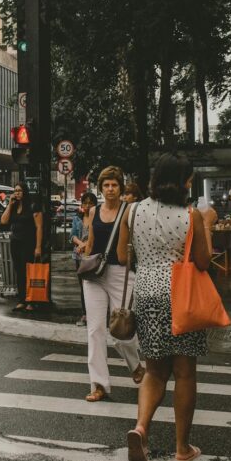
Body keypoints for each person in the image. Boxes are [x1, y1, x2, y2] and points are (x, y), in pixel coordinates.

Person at [117, 153, 211, 461]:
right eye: (189, 178)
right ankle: (182, 447)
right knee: (184, 372)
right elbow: (203, 261)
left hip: (146, 295)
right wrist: (207, 227)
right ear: (183, 182)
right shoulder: (191, 215)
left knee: (155, 371)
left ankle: (141, 428)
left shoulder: (132, 210)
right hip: (181, 297)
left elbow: (120, 254)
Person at [81, 166, 143, 402]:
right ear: (100, 187)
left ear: (120, 187)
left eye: (114, 185)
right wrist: (85, 263)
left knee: (121, 330)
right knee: (95, 330)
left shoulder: (129, 211)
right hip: (95, 275)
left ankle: (135, 365)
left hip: (121, 273)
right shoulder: (94, 211)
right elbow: (91, 242)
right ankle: (98, 384)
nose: (110, 189)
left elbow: (132, 246)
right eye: (106, 185)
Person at [0, 182, 44, 312]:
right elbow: (3, 220)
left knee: (29, 272)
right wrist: (9, 204)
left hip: (29, 243)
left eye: (19, 190)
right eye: (15, 190)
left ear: (24, 192)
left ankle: (31, 300)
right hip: (16, 242)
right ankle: (22, 300)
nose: (17, 193)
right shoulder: (13, 206)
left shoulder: (32, 206)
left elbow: (39, 227)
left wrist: (38, 247)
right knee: (19, 271)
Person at [71, 192, 98, 327]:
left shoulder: (98, 218)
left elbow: (97, 237)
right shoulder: (77, 218)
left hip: (93, 256)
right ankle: (85, 314)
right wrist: (79, 244)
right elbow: (73, 236)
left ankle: (95, 314)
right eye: (85, 203)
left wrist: (85, 245)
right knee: (83, 287)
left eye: (90, 203)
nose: (87, 206)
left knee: (94, 286)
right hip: (79, 257)